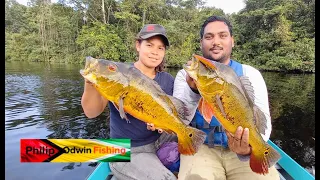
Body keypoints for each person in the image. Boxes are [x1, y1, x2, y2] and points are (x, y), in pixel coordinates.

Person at [173, 15, 280, 180]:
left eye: (222, 35)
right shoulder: (183, 75)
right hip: (199, 148)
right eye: (209, 37)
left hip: (242, 151)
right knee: (125, 158)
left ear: (232, 41)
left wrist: (248, 150)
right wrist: (193, 91)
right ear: (201, 42)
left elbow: (263, 123)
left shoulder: (251, 74)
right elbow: (178, 121)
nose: (215, 41)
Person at [81, 24, 177, 180]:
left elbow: (172, 115)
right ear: (138, 45)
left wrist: (163, 127)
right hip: (126, 150)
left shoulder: (168, 80)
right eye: (149, 45)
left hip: (158, 141)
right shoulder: (119, 73)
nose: (155, 52)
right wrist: (91, 83)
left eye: (160, 48)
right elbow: (91, 112)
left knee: (197, 144)